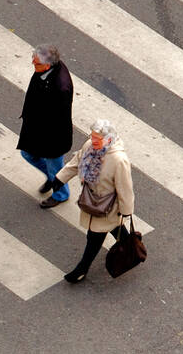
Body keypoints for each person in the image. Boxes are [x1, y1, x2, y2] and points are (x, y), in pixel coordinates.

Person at [56, 119, 135, 283]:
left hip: (108, 206)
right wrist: (60, 179)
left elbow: (125, 188)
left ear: (108, 139)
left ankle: (82, 268)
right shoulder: (90, 145)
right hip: (91, 200)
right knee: (113, 227)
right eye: (92, 137)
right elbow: (76, 162)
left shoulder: (119, 160)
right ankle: (131, 246)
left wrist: (126, 210)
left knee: (94, 236)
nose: (93, 141)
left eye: (97, 139)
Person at [17, 44, 74, 207]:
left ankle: (61, 194)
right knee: (28, 155)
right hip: (38, 130)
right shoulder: (45, 70)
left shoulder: (61, 86)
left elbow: (57, 118)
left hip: (52, 137)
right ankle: (52, 178)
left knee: (55, 167)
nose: (33, 65)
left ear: (48, 65)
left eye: (37, 63)